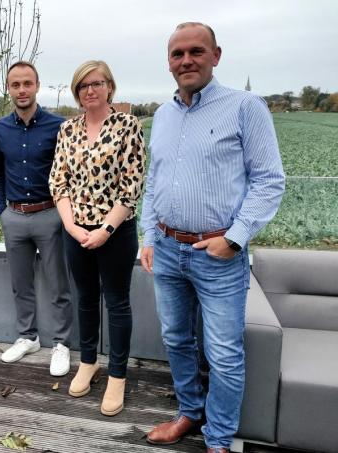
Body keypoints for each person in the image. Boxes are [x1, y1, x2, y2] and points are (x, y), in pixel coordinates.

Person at [140, 23, 285, 453]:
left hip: (218, 256)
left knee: (223, 353)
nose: (186, 60)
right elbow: (154, 181)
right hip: (166, 250)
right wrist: (149, 235)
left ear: (215, 56)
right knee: (176, 339)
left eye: (196, 51)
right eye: (177, 54)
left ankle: (218, 439)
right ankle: (189, 410)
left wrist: (235, 239)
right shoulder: (163, 116)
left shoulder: (245, 107)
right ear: (169, 62)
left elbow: (269, 181)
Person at [49, 60, 145, 416]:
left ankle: (117, 374)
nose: (90, 90)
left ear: (109, 87)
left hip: (115, 233)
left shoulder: (127, 126)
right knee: (86, 298)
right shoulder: (67, 129)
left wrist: (105, 230)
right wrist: (73, 228)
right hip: (75, 231)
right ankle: (88, 361)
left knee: (117, 301)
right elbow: (58, 182)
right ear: (77, 92)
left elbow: (131, 187)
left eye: (96, 83)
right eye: (83, 85)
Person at [0, 61, 73, 376]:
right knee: (20, 283)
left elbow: (68, 174)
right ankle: (28, 337)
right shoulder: (0, 128)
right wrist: (2, 211)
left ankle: (62, 343)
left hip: (50, 215)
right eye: (15, 84)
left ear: (37, 85)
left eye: (27, 83)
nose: (21, 90)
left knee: (58, 285)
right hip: (15, 218)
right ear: (9, 88)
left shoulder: (59, 126)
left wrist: (64, 216)